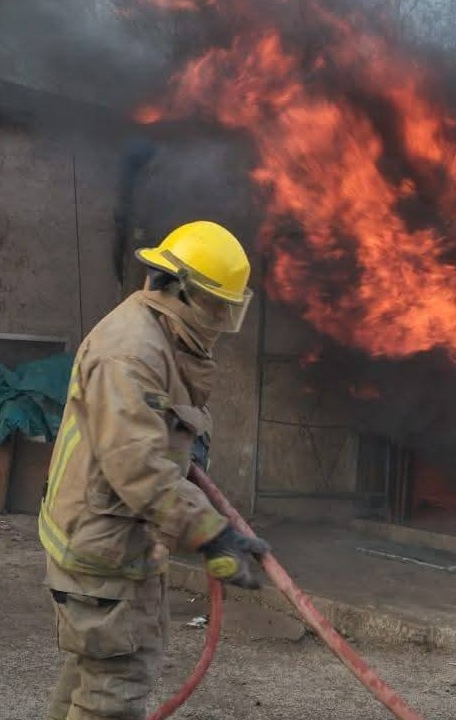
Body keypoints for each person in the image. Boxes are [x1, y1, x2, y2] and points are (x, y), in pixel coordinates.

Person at [40, 220, 272, 720]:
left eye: (228, 309)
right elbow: (138, 465)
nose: (220, 321)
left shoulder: (160, 335)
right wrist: (211, 533)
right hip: (101, 551)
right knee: (114, 689)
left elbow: (154, 440)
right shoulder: (131, 352)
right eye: (214, 306)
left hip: (110, 540)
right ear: (176, 287)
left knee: (92, 675)